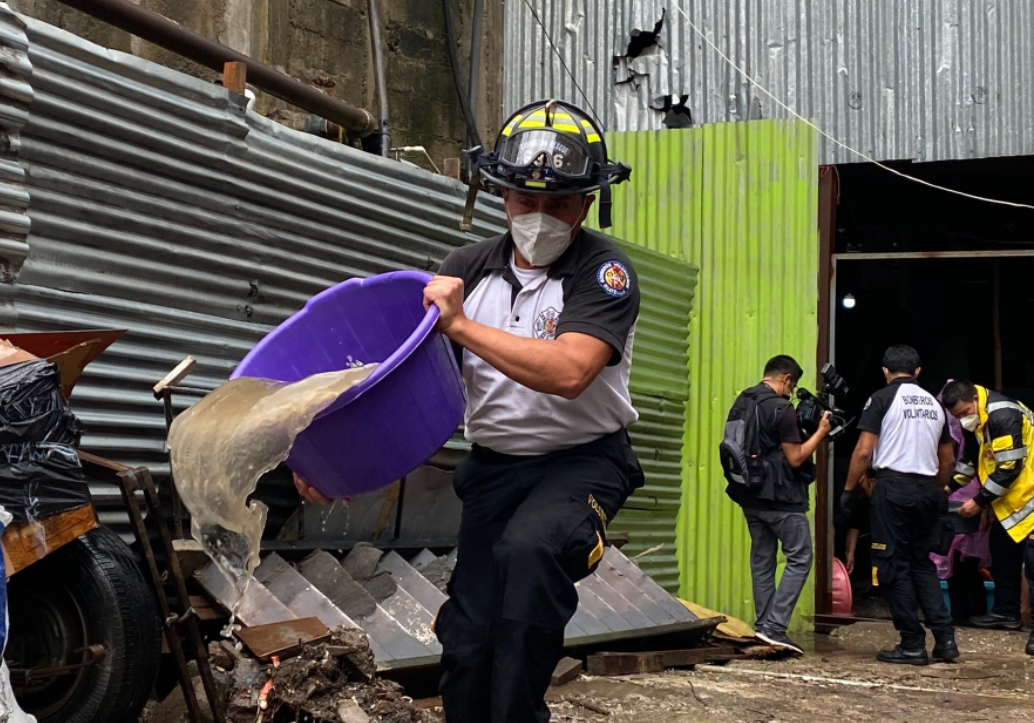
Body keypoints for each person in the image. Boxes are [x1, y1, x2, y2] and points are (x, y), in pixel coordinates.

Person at [296, 98, 640, 722]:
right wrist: (332, 463)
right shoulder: (467, 271)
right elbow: (406, 387)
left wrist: (459, 326)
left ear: (587, 203)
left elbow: (569, 372)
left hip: (582, 465)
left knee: (529, 557)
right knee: (470, 635)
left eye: (559, 203)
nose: (539, 216)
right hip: (494, 469)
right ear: (501, 195)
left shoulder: (604, 273)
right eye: (525, 200)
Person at [844, 345, 957, 665]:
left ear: (885, 370)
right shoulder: (935, 404)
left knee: (893, 566)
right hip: (927, 490)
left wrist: (849, 489)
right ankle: (945, 639)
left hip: (893, 490)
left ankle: (911, 643)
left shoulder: (880, 399)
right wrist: (935, 489)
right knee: (922, 563)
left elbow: (863, 451)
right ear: (917, 371)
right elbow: (947, 459)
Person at [725, 355, 831, 655]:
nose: (791, 392)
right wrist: (821, 432)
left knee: (762, 560)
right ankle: (774, 626)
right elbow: (796, 458)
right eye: (792, 386)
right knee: (800, 557)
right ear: (786, 379)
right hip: (781, 498)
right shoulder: (781, 409)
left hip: (749, 494)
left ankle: (763, 626)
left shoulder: (742, 402)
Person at [942, 380, 1034, 656]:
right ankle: (1006, 612)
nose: (962, 419)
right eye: (957, 416)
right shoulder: (975, 419)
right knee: (1002, 552)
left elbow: (1008, 467)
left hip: (1028, 498)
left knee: (1033, 567)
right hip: (1011, 502)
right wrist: (949, 488)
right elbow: (971, 460)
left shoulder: (1003, 415)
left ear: (975, 398)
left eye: (964, 412)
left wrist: (979, 501)